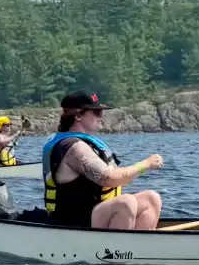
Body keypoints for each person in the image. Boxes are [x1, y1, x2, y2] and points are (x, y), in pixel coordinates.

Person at [41, 91, 164, 230]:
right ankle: (118, 251)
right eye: (96, 112)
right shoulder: (72, 147)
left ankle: (139, 248)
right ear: (77, 116)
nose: (101, 117)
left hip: (94, 215)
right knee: (125, 202)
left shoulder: (86, 144)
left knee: (151, 199)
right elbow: (108, 178)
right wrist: (146, 164)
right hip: (72, 223)